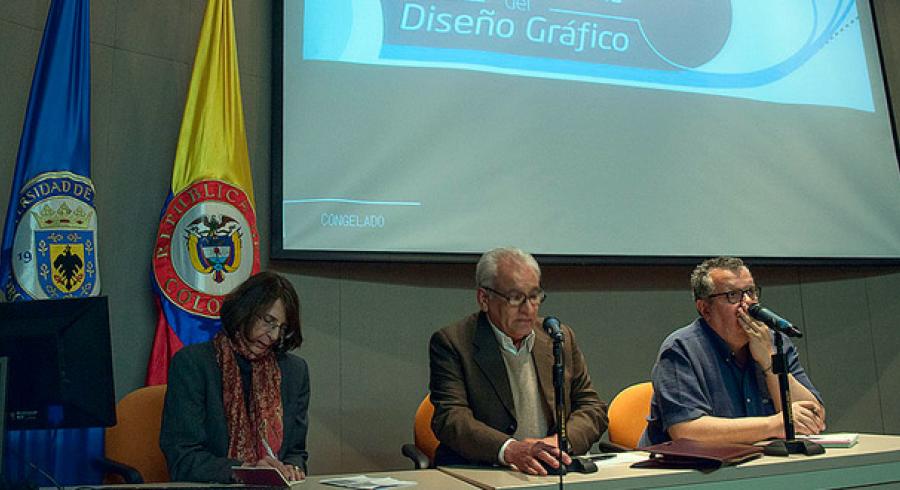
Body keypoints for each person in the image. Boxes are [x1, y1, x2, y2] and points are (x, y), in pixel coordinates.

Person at [429, 247, 608, 475]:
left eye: (534, 296)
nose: (528, 309)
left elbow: (592, 407)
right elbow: (450, 418)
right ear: (484, 299)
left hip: (550, 471)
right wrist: (510, 449)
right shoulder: (453, 342)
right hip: (483, 471)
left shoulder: (557, 337)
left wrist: (560, 442)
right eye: (515, 298)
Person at [641, 256, 825, 446]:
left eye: (751, 292)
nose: (748, 304)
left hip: (763, 460)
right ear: (705, 309)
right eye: (733, 295)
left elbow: (813, 416)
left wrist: (769, 363)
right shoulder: (681, 349)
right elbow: (686, 431)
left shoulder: (775, 343)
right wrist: (773, 425)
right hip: (690, 463)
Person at [160, 271, 309, 483]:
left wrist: (292, 468)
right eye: (268, 321)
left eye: (282, 328)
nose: (274, 336)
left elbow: (296, 452)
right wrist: (246, 471)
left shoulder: (294, 372)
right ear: (245, 310)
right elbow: (182, 457)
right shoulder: (193, 364)